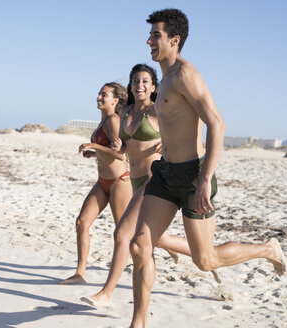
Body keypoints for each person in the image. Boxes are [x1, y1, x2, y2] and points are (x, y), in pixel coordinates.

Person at [129, 9, 287, 327]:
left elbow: (217, 124)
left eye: (156, 35)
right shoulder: (166, 81)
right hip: (165, 173)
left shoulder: (186, 75)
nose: (148, 41)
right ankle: (139, 323)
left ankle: (267, 248)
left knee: (205, 260)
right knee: (139, 245)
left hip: (192, 177)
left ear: (174, 40)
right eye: (150, 35)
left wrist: (204, 181)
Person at [80, 64, 219, 308]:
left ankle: (107, 293)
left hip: (154, 180)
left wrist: (166, 144)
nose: (139, 85)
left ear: (154, 87)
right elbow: (123, 149)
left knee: (123, 234)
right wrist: (107, 151)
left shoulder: (159, 111)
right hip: (135, 180)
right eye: (135, 81)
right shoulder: (125, 112)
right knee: (158, 240)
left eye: (145, 81)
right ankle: (209, 258)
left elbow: (184, 133)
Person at [60, 82, 133, 285]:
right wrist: (94, 152)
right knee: (82, 223)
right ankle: (80, 273)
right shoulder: (103, 121)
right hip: (103, 182)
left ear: (115, 100)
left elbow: (121, 154)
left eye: (104, 95)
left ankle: (164, 244)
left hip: (120, 182)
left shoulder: (113, 120)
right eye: (99, 94)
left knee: (124, 231)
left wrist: (93, 144)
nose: (99, 97)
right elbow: (108, 148)